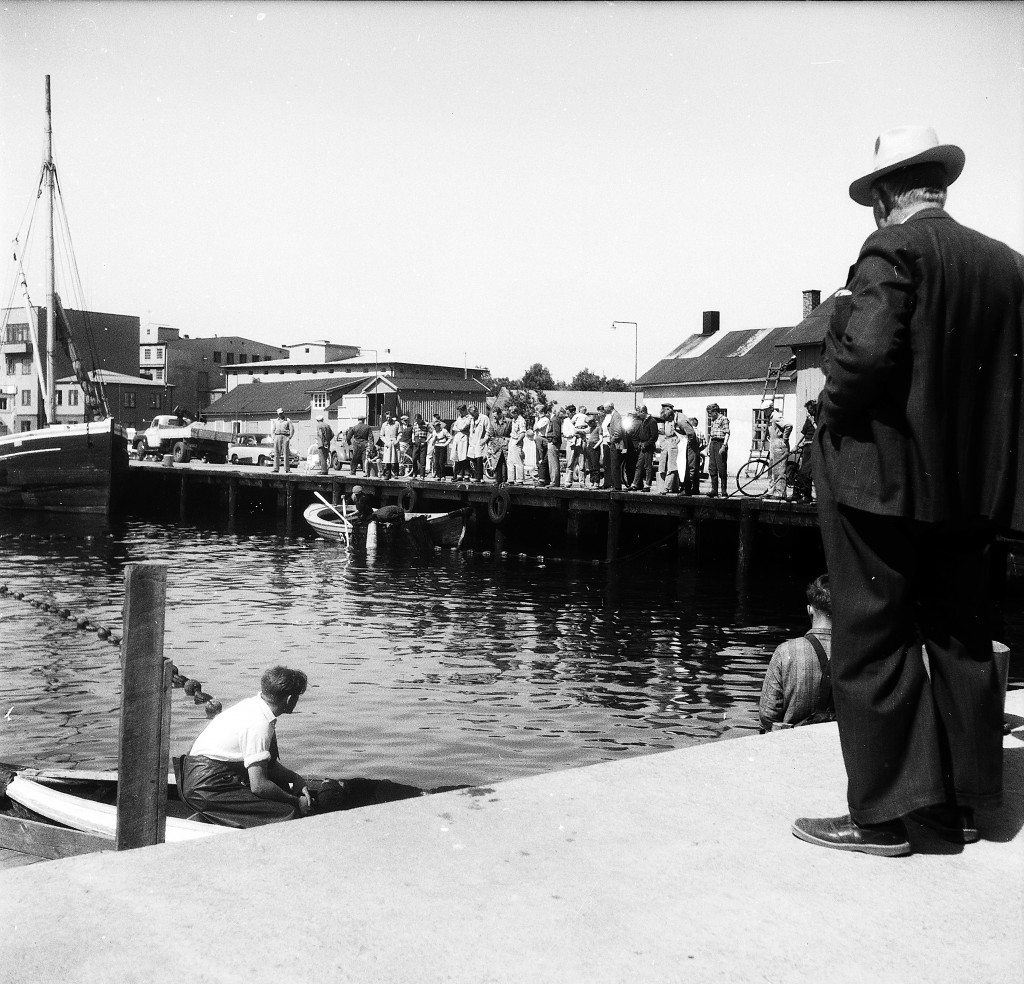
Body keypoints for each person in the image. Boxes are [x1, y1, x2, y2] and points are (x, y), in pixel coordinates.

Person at [793, 126, 1024, 858]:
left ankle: (886, 816)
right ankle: (958, 804)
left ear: (888, 196)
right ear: (938, 185)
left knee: (870, 641)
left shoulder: (893, 249)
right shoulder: (1007, 265)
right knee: (959, 635)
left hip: (880, 485)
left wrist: (827, 413)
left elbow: (865, 355)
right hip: (968, 492)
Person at [179, 666, 314, 828]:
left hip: (203, 777)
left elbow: (268, 766)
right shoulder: (260, 724)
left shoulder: (254, 706)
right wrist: (296, 801)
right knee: (288, 813)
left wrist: (295, 778)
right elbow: (259, 786)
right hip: (207, 788)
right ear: (290, 699)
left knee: (281, 790)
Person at [759, 576, 834, 732]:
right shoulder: (858, 654)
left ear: (810, 610)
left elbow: (767, 716)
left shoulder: (785, 651)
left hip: (793, 748)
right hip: (839, 750)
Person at [791, 400, 818, 503]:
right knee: (800, 471)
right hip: (807, 447)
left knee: (806, 472)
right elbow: (803, 432)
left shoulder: (820, 418)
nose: (808, 411)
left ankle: (807, 497)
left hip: (815, 447)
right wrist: (796, 445)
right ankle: (797, 494)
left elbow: (819, 429)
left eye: (810, 409)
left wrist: (813, 421)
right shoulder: (808, 418)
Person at [765, 402, 793, 499]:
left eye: (765, 410)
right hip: (773, 444)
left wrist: (785, 438)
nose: (764, 412)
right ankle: (771, 491)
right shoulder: (770, 418)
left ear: (770, 408)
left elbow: (789, 425)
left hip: (780, 444)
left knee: (780, 470)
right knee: (773, 470)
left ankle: (780, 493)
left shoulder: (776, 416)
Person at [628, 404, 658, 492]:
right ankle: (634, 484)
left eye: (638, 412)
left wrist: (646, 444)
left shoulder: (651, 421)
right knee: (639, 465)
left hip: (648, 447)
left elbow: (654, 436)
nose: (638, 414)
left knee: (648, 466)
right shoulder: (643, 421)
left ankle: (647, 485)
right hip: (642, 445)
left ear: (642, 412)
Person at [705, 403, 730, 497]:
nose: (710, 415)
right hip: (713, 443)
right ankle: (714, 490)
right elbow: (711, 436)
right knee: (712, 467)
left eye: (710, 413)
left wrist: (724, 446)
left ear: (715, 411)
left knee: (722, 467)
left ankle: (724, 490)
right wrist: (708, 447)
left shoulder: (724, 419)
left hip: (720, 443)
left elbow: (727, 433)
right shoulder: (713, 421)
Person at [602, 403, 624, 490]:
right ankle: (615, 485)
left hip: (615, 444)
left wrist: (612, 439)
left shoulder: (616, 416)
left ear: (610, 407)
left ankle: (617, 486)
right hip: (613, 443)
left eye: (605, 408)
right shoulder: (613, 415)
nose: (604, 409)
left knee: (615, 464)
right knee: (613, 464)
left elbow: (618, 431)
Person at [468, 405, 490, 482]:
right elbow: (471, 430)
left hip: (480, 440)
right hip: (473, 441)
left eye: (473, 414)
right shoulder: (472, 419)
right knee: (472, 458)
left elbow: (488, 430)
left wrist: (485, 439)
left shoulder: (484, 418)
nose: (472, 415)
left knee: (479, 458)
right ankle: (476, 475)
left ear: (476, 411)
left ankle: (480, 477)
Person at [488, 407, 510, 485]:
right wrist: (491, 446)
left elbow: (511, 433)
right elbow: (490, 434)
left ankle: (504, 480)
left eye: (495, 416)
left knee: (505, 462)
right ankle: (498, 480)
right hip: (496, 445)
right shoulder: (493, 423)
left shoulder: (508, 422)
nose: (494, 418)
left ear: (500, 414)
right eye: (493, 416)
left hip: (505, 444)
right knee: (497, 463)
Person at [451, 405, 471, 481]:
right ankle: (458, 474)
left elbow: (463, 426)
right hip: (458, 437)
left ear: (465, 410)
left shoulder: (469, 418)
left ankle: (466, 475)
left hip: (464, 438)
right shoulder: (459, 418)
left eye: (461, 411)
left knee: (464, 457)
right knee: (457, 457)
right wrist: (459, 428)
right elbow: (454, 427)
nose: (460, 413)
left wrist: (458, 427)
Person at [271, 408, 294, 474]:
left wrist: (289, 437)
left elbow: (292, 429)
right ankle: (276, 468)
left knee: (286, 453)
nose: (280, 415)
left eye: (281, 413)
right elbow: (273, 430)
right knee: (276, 453)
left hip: (285, 436)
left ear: (283, 413)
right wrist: (273, 437)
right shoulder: (275, 421)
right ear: (278, 414)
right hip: (277, 436)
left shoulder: (288, 420)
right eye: (279, 414)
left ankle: (287, 469)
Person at [508, 407, 527, 485]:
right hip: (512, 439)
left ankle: (519, 479)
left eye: (511, 413)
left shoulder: (521, 420)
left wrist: (517, 442)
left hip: (516, 440)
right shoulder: (513, 420)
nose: (510, 414)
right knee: (510, 461)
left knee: (517, 460)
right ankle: (511, 478)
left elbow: (523, 433)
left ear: (515, 412)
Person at [379, 411, 400, 480]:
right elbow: (381, 435)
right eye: (387, 417)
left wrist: (397, 440)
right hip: (388, 443)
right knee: (387, 459)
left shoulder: (397, 424)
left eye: (389, 417)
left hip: (394, 442)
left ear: (392, 417)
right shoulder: (384, 425)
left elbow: (400, 433)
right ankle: (388, 474)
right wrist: (385, 442)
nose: (388, 418)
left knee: (395, 459)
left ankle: (396, 474)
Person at [410, 413, 429, 478]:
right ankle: (415, 473)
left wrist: (427, 440)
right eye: (416, 420)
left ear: (421, 419)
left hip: (423, 440)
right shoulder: (415, 425)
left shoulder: (426, 424)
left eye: (418, 420)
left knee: (422, 459)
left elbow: (431, 432)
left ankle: (422, 475)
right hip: (416, 440)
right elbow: (413, 432)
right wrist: (413, 439)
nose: (417, 421)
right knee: (414, 458)